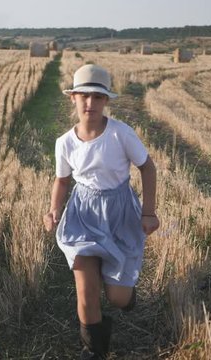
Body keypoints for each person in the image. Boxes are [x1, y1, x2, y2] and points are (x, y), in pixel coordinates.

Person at [43, 64, 159, 359]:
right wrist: (54, 209)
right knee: (86, 290)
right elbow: (62, 180)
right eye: (84, 96)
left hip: (119, 213)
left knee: (118, 299)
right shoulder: (64, 143)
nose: (90, 103)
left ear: (106, 100)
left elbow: (147, 167)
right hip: (82, 215)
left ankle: (126, 294)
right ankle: (93, 350)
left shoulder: (121, 134)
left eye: (97, 97)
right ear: (73, 98)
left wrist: (148, 212)